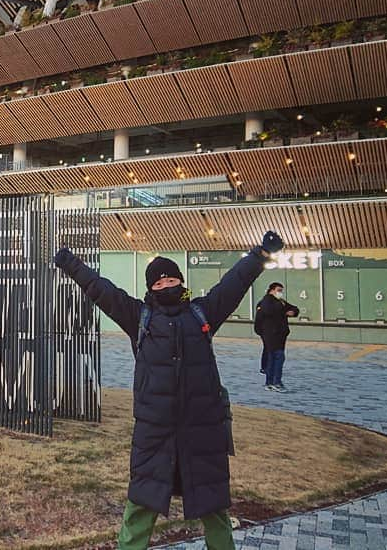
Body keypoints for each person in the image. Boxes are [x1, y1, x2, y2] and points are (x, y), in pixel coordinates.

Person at [54, 231, 286, 550]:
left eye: (171, 281)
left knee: (214, 507)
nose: (166, 287)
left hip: (202, 429)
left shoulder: (202, 312)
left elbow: (234, 283)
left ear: (181, 282)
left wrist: (259, 255)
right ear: (150, 289)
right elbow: (101, 290)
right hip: (155, 430)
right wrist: (71, 264)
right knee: (140, 506)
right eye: (159, 284)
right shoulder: (139, 317)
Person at [254, 282, 299, 392]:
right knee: (277, 357)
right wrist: (284, 311)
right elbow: (269, 313)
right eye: (278, 290)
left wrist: (293, 312)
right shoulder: (266, 301)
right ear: (272, 290)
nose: (280, 293)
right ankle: (275, 383)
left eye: (281, 290)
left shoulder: (281, 302)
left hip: (280, 335)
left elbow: (293, 308)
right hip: (270, 335)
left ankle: (270, 383)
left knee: (275, 358)